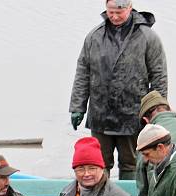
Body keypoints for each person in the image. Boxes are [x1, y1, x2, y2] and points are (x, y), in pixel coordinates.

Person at [69, 0, 167, 180]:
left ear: (130, 8)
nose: (114, 16)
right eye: (110, 12)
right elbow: (83, 72)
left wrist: (158, 112)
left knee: (132, 162)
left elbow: (159, 76)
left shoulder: (147, 36)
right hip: (100, 114)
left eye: (119, 12)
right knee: (98, 161)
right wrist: (77, 106)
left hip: (133, 114)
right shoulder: (94, 37)